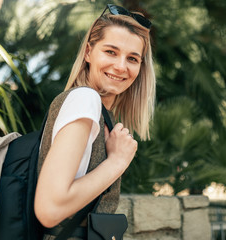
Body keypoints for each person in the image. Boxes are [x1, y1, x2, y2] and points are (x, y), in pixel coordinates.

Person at [34, 3, 155, 239]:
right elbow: (49, 210)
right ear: (89, 52)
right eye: (111, 52)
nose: (121, 66)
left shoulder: (96, 111)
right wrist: (117, 162)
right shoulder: (84, 99)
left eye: (132, 58)